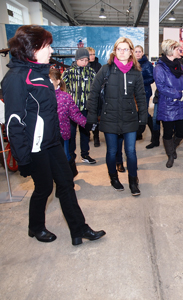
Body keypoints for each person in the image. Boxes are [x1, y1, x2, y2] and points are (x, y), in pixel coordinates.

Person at [1, 25, 105, 246]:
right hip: (34, 148)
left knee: (66, 183)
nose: (51, 50)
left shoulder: (42, 74)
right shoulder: (16, 78)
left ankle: (79, 230)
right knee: (44, 188)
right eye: (46, 46)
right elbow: (14, 123)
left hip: (53, 143)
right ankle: (35, 227)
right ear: (32, 48)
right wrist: (23, 158)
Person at [87, 37, 147, 196]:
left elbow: (141, 96)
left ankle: (133, 181)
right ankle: (113, 178)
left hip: (129, 118)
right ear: (114, 51)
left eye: (125, 49)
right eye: (119, 49)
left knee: (131, 152)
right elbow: (93, 93)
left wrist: (143, 119)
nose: (122, 52)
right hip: (110, 117)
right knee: (112, 151)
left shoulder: (136, 72)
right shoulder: (105, 69)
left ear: (131, 52)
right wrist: (92, 116)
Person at [153, 39, 183, 168]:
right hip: (167, 105)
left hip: (180, 104)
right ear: (170, 50)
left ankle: (172, 148)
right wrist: (179, 94)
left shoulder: (179, 65)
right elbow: (161, 86)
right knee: (168, 132)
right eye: (177, 49)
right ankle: (170, 155)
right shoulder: (159, 67)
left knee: (181, 132)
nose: (180, 51)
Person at [49, 69, 87, 177]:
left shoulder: (65, 97)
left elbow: (75, 114)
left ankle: (70, 174)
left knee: (65, 157)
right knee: (53, 159)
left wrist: (86, 124)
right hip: (49, 134)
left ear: (58, 81)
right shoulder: (43, 96)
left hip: (63, 133)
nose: (48, 83)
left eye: (51, 80)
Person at [62, 47, 97, 164]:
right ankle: (71, 155)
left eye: (86, 60)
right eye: (82, 60)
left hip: (86, 108)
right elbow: (62, 88)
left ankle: (85, 155)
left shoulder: (91, 72)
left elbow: (96, 88)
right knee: (71, 133)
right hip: (71, 109)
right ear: (76, 59)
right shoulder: (68, 72)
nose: (84, 62)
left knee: (85, 132)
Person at [134, 45, 155, 142]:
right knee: (136, 114)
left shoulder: (147, 64)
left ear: (142, 53)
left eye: (139, 51)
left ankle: (154, 134)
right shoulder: (131, 63)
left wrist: (140, 83)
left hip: (144, 92)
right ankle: (139, 134)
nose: (138, 53)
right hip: (133, 93)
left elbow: (152, 78)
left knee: (144, 114)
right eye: (136, 51)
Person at [87, 46, 102, 147]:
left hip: (96, 95)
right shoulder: (83, 66)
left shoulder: (98, 66)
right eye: (90, 54)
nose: (92, 56)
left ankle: (96, 136)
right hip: (85, 96)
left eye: (93, 54)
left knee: (96, 116)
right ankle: (87, 134)